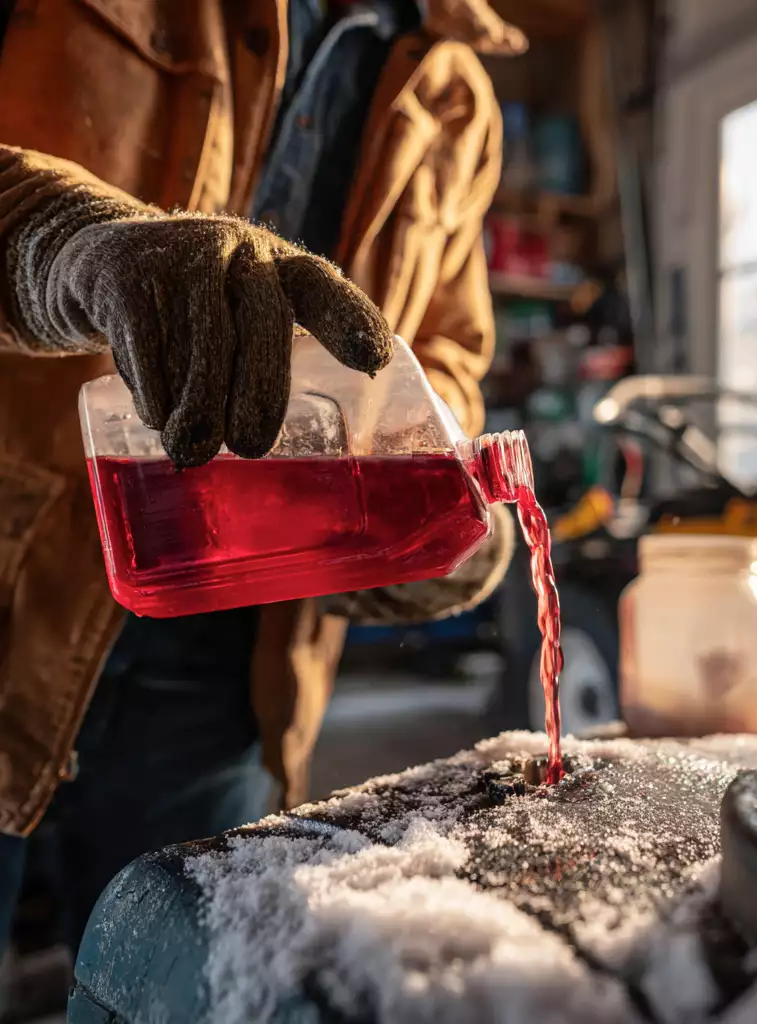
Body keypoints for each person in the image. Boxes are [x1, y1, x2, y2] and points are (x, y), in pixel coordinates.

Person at [0, 0, 525, 954]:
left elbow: (447, 349)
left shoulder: (458, 97)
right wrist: (63, 243)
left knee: (169, 989)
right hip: (12, 574)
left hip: (231, 662)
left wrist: (429, 481)